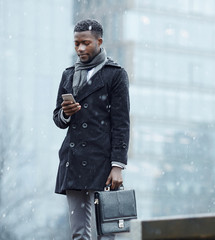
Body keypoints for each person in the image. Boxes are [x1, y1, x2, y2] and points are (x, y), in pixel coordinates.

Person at [53, 19, 130, 240]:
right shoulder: (68, 74)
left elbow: (121, 122)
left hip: (103, 161)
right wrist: (66, 113)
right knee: (78, 233)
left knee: (108, 232)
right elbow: (57, 118)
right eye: (76, 43)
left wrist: (118, 165)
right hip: (73, 158)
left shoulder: (115, 74)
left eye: (85, 43)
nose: (80, 49)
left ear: (99, 41)